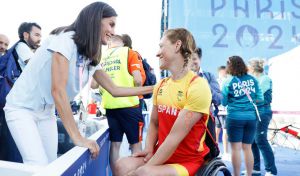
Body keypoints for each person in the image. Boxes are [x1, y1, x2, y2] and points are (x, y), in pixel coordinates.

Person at [4, 2, 152, 166]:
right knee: (37, 164)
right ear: (96, 20)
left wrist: (155, 87)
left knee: (51, 165)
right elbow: (58, 90)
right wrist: (78, 138)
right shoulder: (66, 39)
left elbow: (114, 89)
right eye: (111, 24)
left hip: (46, 112)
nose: (113, 32)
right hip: (22, 108)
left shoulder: (90, 54)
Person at [114, 28, 212, 176]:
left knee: (143, 173)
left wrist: (142, 169)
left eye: (161, 46)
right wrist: (148, 149)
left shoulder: (197, 86)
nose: (157, 53)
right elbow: (154, 123)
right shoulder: (161, 85)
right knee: (121, 166)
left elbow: (174, 138)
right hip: (162, 154)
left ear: (177, 45)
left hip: (187, 162)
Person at [93, 35, 145, 174]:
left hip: (110, 107)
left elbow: (93, 85)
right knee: (136, 146)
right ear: (122, 43)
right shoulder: (128, 52)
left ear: (110, 43)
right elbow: (138, 80)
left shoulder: (101, 57)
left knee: (115, 145)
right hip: (129, 106)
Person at [222, 56, 263, 176]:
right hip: (251, 118)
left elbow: (223, 102)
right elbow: (260, 99)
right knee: (247, 148)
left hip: (234, 117)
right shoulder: (253, 80)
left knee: (235, 149)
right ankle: (249, 174)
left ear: (230, 66)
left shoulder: (228, 81)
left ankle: (236, 175)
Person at [246, 58, 277, 176]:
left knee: (260, 140)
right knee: (252, 141)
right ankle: (255, 168)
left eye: (248, 67)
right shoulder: (253, 79)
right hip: (254, 113)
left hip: (263, 112)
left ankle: (271, 170)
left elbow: (255, 95)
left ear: (253, 68)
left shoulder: (265, 79)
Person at [216, 65, 230, 161]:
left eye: (225, 71)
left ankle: (226, 152)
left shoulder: (228, 81)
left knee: (225, 131)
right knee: (216, 131)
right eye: (222, 72)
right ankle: (216, 151)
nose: (224, 73)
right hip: (217, 110)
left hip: (226, 111)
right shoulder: (216, 82)